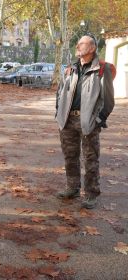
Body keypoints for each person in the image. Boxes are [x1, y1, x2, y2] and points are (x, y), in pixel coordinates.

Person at [55, 35, 114, 209]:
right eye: (78, 43)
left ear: (92, 48)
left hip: (88, 121)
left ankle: (91, 194)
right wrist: (58, 112)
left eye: (82, 44)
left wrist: (98, 120)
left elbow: (108, 100)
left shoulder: (102, 69)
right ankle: (72, 188)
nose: (78, 46)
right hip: (67, 120)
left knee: (90, 159)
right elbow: (60, 92)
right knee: (70, 156)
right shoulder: (70, 69)